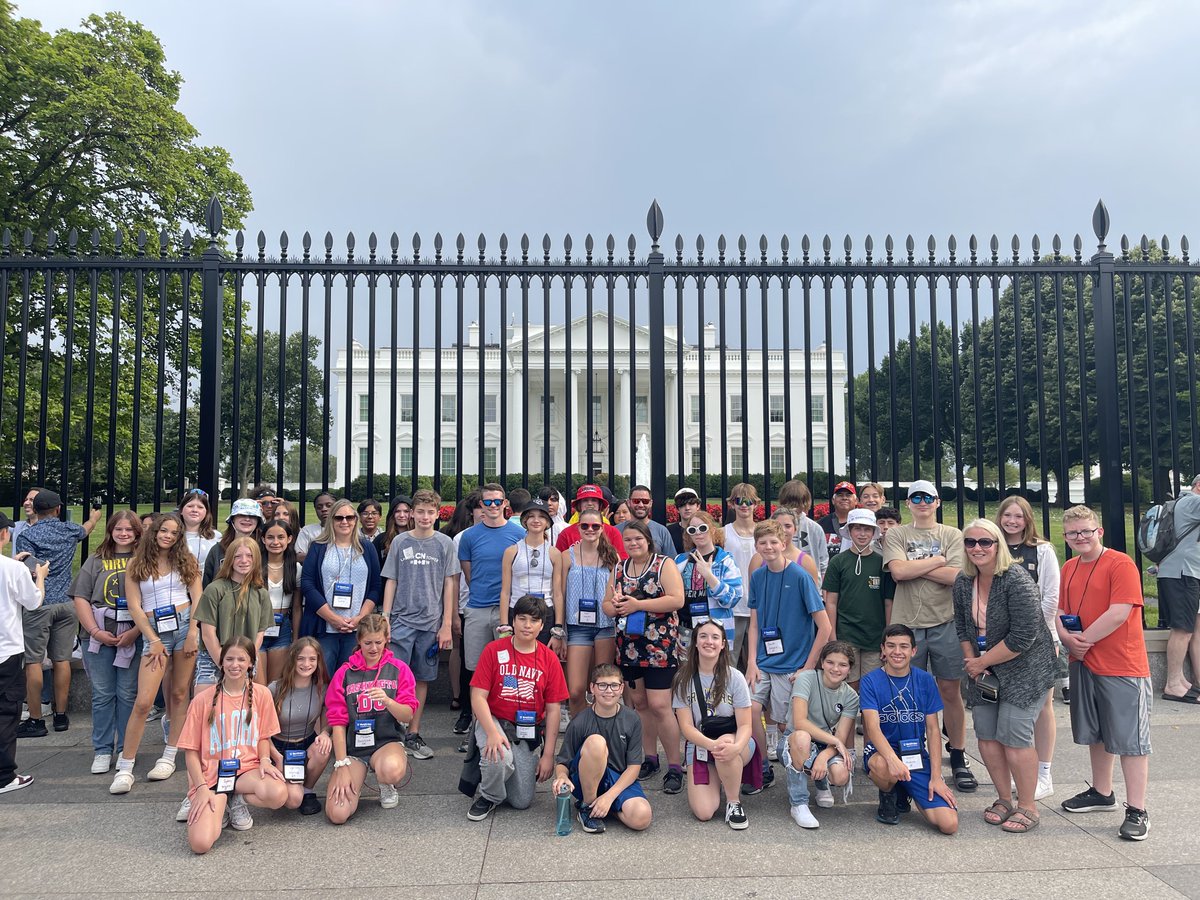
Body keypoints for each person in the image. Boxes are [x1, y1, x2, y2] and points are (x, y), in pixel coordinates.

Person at [953, 519, 1056, 835]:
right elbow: (962, 627)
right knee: (986, 736)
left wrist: (981, 661)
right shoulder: (963, 581)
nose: (977, 549)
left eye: (985, 542)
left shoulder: (1016, 580)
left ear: (998, 545)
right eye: (970, 542)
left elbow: (1023, 637)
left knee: (1014, 737)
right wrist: (974, 661)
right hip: (984, 670)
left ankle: (1028, 805)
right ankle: (1002, 798)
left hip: (1025, 670)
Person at [1056, 505, 1153, 841]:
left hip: (1121, 664)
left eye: (1086, 531)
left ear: (1099, 531)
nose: (1080, 537)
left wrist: (1081, 641)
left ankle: (1137, 809)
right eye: (1073, 533)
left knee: (1130, 740)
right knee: (1095, 732)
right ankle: (1101, 791)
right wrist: (1068, 639)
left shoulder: (1120, 563)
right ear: (1066, 538)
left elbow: (1120, 611)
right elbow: (1060, 610)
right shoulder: (1069, 567)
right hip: (1083, 661)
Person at [882, 480, 974, 792]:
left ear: (937, 502)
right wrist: (937, 560)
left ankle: (958, 753)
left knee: (950, 690)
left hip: (946, 621)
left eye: (928, 497)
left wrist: (914, 567)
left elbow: (957, 577)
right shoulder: (897, 533)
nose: (922, 502)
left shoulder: (952, 535)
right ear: (908, 503)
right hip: (907, 624)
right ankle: (914, 750)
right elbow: (897, 572)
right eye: (916, 497)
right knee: (908, 692)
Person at [111, 512, 202, 795]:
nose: (168, 536)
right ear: (154, 532)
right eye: (164, 531)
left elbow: (197, 597)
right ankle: (126, 766)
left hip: (184, 624)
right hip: (154, 632)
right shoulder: (137, 564)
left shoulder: (186, 561)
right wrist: (151, 639)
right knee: (144, 701)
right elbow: (135, 606)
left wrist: (193, 633)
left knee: (178, 694)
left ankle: (170, 754)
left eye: (174, 533)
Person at [746, 519, 832, 796]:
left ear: (784, 544)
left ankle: (814, 776)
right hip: (762, 662)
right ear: (756, 546)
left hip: (792, 665)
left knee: (787, 726)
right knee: (748, 713)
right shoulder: (758, 575)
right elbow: (755, 623)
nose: (768, 547)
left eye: (774, 542)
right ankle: (763, 767)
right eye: (763, 543)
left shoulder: (799, 576)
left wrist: (807, 668)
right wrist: (750, 662)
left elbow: (825, 626)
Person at [177, 636, 287, 852]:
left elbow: (263, 736)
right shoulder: (202, 700)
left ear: (250, 663)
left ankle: (236, 799)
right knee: (201, 844)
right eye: (229, 659)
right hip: (212, 776)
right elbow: (190, 751)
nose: (235, 665)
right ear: (221, 662)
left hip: (246, 770)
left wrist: (265, 759)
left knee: (278, 793)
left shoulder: (262, 694)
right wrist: (200, 788)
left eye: (241, 659)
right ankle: (220, 804)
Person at [465, 595, 568, 821]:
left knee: (521, 801)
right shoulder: (494, 650)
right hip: (495, 719)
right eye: (522, 619)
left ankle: (500, 772)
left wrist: (549, 754)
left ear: (542, 625)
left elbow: (553, 710)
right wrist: (491, 732)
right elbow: (478, 697)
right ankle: (489, 795)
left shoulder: (549, 659)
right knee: (498, 756)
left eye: (534, 620)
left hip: (527, 728)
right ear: (513, 621)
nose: (527, 625)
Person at [603, 519, 686, 794]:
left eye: (638, 539)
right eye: (628, 540)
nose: (633, 544)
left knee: (661, 705)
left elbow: (676, 599)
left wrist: (639, 604)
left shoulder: (663, 565)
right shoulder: (618, 567)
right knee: (640, 705)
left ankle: (675, 765)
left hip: (659, 647)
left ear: (648, 540)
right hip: (628, 646)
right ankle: (650, 757)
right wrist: (614, 607)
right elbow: (605, 603)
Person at [14, 489, 102, 738]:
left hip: (39, 603)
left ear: (36, 509)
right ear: (58, 509)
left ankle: (35, 719)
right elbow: (86, 529)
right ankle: (61, 715)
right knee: (61, 659)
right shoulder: (68, 530)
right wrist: (95, 516)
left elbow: (30, 569)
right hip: (66, 602)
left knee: (33, 661)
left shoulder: (28, 536)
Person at [380, 488, 459, 759]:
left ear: (438, 515)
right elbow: (391, 580)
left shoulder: (444, 544)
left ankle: (413, 732)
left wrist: (446, 623)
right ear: (411, 513)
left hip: (430, 622)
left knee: (422, 678)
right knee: (394, 676)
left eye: (431, 512)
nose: (425, 517)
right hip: (401, 620)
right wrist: (386, 618)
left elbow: (450, 583)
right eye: (420, 512)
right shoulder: (400, 542)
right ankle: (392, 732)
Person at [996, 495, 1064, 799]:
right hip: (1000, 641)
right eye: (1007, 515)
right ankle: (1019, 770)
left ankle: (1044, 773)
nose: (1012, 521)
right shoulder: (991, 547)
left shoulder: (1042, 550)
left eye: (1018, 516)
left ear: (1028, 520)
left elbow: (1051, 597)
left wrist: (1032, 631)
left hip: (1038, 637)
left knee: (1042, 707)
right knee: (1008, 707)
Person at [860, 624, 958, 834]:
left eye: (904, 646)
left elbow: (933, 730)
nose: (897, 652)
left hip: (914, 753)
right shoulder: (870, 681)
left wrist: (936, 777)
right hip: (881, 752)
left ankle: (906, 788)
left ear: (913, 651)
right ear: (883, 650)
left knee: (949, 825)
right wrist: (893, 761)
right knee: (886, 769)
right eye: (891, 646)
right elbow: (873, 728)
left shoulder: (925, 680)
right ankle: (889, 793)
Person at [324, 614, 417, 823]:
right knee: (337, 814)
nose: (373, 648)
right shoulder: (345, 673)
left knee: (390, 769)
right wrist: (341, 765)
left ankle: (386, 784)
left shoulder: (399, 669)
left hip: (386, 742)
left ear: (386, 640)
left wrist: (388, 702)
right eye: (367, 643)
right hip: (355, 748)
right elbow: (337, 722)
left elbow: (408, 714)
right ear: (359, 641)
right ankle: (356, 774)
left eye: (378, 642)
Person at [70, 511, 143, 775]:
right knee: (102, 695)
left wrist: (135, 631)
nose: (124, 534)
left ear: (137, 532)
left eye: (129, 530)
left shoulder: (144, 560)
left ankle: (126, 747)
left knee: (127, 694)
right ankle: (102, 749)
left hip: (132, 635)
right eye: (118, 529)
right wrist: (94, 630)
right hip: (98, 635)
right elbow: (81, 597)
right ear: (111, 530)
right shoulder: (97, 560)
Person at [672, 620, 756, 830]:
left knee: (726, 742)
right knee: (704, 812)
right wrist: (710, 746)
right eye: (703, 636)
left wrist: (736, 746)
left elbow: (746, 725)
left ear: (723, 644)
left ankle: (733, 802)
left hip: (736, 742)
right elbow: (687, 727)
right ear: (696, 643)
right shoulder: (683, 679)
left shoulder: (734, 677)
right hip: (701, 743)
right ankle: (720, 774)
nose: (709, 641)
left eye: (715, 637)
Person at [553, 662, 652, 834]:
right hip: (587, 780)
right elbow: (563, 761)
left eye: (614, 685)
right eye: (602, 685)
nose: (608, 690)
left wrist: (609, 796)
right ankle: (587, 807)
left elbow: (634, 767)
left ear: (621, 688)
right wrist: (561, 776)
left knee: (642, 817)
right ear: (592, 688)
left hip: (618, 778)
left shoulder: (632, 719)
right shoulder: (580, 721)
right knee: (597, 742)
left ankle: (604, 807)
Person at [458, 483, 525, 705]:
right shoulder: (469, 536)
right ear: (481, 505)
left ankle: (505, 717)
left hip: (506, 611)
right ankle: (478, 724)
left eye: (498, 501)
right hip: (477, 608)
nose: (493, 505)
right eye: (488, 502)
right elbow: (469, 574)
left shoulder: (519, 534)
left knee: (508, 668)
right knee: (476, 670)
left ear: (505, 503)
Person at [300, 498, 383, 673]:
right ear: (331, 520)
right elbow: (308, 584)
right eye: (339, 518)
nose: (344, 522)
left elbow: (376, 586)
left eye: (349, 517)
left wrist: (361, 617)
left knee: (350, 678)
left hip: (356, 627)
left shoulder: (367, 548)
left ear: (355, 520)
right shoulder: (318, 547)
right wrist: (332, 618)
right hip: (324, 627)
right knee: (323, 677)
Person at [783, 640, 860, 828]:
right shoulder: (806, 678)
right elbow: (800, 721)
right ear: (822, 663)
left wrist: (824, 756)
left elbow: (841, 737)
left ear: (849, 669)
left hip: (824, 743)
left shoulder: (851, 696)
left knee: (840, 776)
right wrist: (834, 741)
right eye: (830, 662)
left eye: (843, 665)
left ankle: (821, 782)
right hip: (795, 740)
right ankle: (799, 803)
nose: (836, 669)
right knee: (802, 738)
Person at [0, 511, 48, 794]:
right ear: (5, 535)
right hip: (6, 649)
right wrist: (38, 577)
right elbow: (33, 602)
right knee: (6, 712)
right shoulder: (13, 569)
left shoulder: (11, 568)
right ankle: (4, 775)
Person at [822, 508, 890, 690]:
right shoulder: (838, 561)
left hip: (874, 636)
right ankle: (849, 720)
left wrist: (887, 636)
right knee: (849, 685)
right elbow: (831, 601)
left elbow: (888, 602)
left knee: (871, 686)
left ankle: (869, 720)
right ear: (849, 531)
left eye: (867, 529)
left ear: (873, 532)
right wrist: (833, 637)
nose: (862, 533)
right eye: (857, 528)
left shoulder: (881, 562)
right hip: (846, 635)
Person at [561, 508, 619, 716]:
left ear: (602, 529)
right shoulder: (567, 556)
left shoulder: (612, 557)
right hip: (577, 627)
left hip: (605, 626)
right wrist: (560, 629)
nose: (590, 530)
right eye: (585, 525)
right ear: (578, 528)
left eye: (595, 526)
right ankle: (579, 731)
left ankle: (600, 732)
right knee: (575, 691)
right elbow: (560, 594)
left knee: (601, 688)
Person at [194, 536, 273, 688]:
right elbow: (208, 634)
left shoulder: (261, 593)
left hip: (245, 660)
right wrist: (224, 665)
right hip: (214, 658)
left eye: (249, 556)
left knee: (243, 708)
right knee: (208, 708)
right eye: (238, 556)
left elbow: (259, 634)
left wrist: (246, 661)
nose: (244, 560)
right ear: (229, 559)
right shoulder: (214, 589)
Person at [268, 637, 330, 816]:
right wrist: (276, 757)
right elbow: (260, 731)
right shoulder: (274, 688)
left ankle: (308, 790)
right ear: (293, 659)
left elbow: (327, 723)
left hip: (306, 744)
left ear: (318, 662)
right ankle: (290, 786)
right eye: (301, 658)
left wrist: (325, 733)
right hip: (279, 747)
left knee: (324, 747)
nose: (306, 663)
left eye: (312, 659)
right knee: (293, 800)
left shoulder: (322, 688)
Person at [499, 499, 565, 655]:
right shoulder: (511, 551)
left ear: (548, 522)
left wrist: (558, 627)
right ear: (524, 521)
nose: (536, 520)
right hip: (517, 611)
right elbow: (505, 591)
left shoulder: (554, 553)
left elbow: (557, 593)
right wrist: (504, 626)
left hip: (545, 613)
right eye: (531, 516)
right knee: (516, 659)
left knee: (541, 660)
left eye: (541, 516)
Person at [1156, 473, 1200, 704]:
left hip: (1184, 571)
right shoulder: (1192, 502)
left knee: (1190, 628)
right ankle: (1173, 683)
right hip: (1182, 573)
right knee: (1182, 629)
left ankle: (1183, 681)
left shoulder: (1184, 504)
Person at [673, 509, 741, 651]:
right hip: (686, 629)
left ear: (713, 530)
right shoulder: (680, 561)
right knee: (687, 673)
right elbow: (673, 598)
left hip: (716, 630)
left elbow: (733, 599)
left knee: (716, 673)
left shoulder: (725, 561)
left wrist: (709, 576)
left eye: (703, 528)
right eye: (693, 530)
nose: (698, 533)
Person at [445, 492, 483, 735]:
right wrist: (454, 615)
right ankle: (467, 712)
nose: (484, 511)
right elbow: (454, 578)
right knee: (469, 663)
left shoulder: (510, 535)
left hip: (493, 607)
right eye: (479, 508)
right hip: (467, 605)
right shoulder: (461, 538)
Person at [722, 483, 759, 669]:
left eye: (748, 501)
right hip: (733, 606)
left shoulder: (763, 533)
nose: (744, 505)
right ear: (732, 504)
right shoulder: (723, 533)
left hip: (759, 604)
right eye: (739, 500)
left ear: (755, 504)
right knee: (730, 661)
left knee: (759, 660)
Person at [261, 518, 301, 683]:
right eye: (270, 537)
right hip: (258, 625)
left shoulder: (296, 568)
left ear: (289, 539)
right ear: (263, 539)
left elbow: (298, 607)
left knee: (274, 684)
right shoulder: (255, 565)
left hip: (282, 628)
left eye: (280, 537)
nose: (275, 542)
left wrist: (296, 638)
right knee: (258, 684)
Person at [747, 508, 821, 587]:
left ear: (795, 529)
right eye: (778, 526)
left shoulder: (806, 562)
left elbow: (812, 596)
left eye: (788, 526)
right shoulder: (758, 559)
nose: (783, 530)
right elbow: (753, 594)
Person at [202, 498, 265, 587]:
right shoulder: (217, 550)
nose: (247, 519)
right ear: (233, 519)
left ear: (258, 522)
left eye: (252, 516)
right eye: (242, 515)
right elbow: (207, 582)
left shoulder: (263, 548)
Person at [556, 484, 626, 558]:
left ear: (600, 505)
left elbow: (621, 563)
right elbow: (559, 563)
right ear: (579, 505)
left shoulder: (613, 532)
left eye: (594, 500)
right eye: (585, 500)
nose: (589, 503)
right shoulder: (566, 534)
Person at [777, 479, 829, 579]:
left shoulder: (815, 528)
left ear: (805, 503)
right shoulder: (772, 525)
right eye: (789, 503)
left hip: (811, 581)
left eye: (797, 503)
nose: (794, 508)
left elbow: (823, 563)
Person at [617, 485, 677, 557]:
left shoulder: (662, 531)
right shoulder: (616, 531)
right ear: (628, 502)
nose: (641, 505)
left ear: (651, 503)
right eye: (636, 501)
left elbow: (671, 561)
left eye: (645, 501)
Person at [178, 488, 220, 570]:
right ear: (181, 510)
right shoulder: (172, 535)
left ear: (206, 512)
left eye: (200, 507)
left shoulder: (216, 537)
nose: (195, 510)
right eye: (190, 506)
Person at [816, 481, 858, 558]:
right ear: (833, 500)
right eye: (840, 495)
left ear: (856, 501)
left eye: (848, 495)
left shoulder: (862, 524)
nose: (844, 498)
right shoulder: (820, 525)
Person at [373, 494, 413, 564]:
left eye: (406, 511)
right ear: (392, 514)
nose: (402, 515)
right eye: (397, 511)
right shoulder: (381, 540)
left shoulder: (419, 539)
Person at [295, 491, 336, 560]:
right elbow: (299, 556)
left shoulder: (345, 530)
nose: (324, 509)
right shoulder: (307, 530)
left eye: (329, 506)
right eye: (319, 507)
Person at [666, 487, 702, 554]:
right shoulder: (668, 531)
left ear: (698, 506)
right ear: (677, 509)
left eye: (691, 503)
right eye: (682, 505)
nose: (687, 508)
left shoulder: (704, 530)